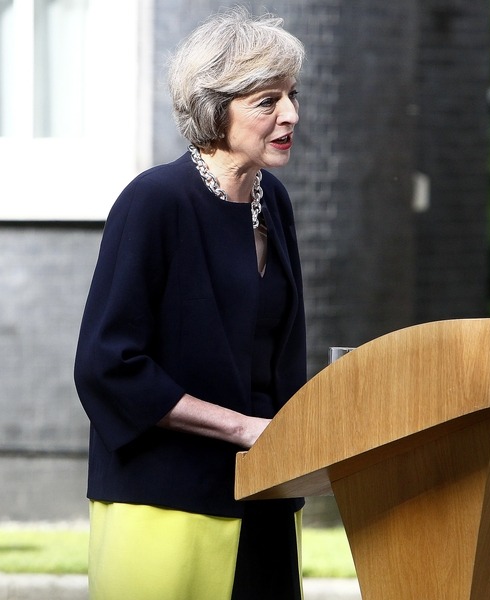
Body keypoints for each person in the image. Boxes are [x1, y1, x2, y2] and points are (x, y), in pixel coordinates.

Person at [73, 8, 307, 600]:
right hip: (166, 499)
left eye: (292, 95)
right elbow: (108, 366)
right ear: (213, 107)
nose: (290, 116)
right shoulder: (154, 201)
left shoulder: (271, 201)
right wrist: (242, 428)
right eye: (267, 101)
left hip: (267, 494)